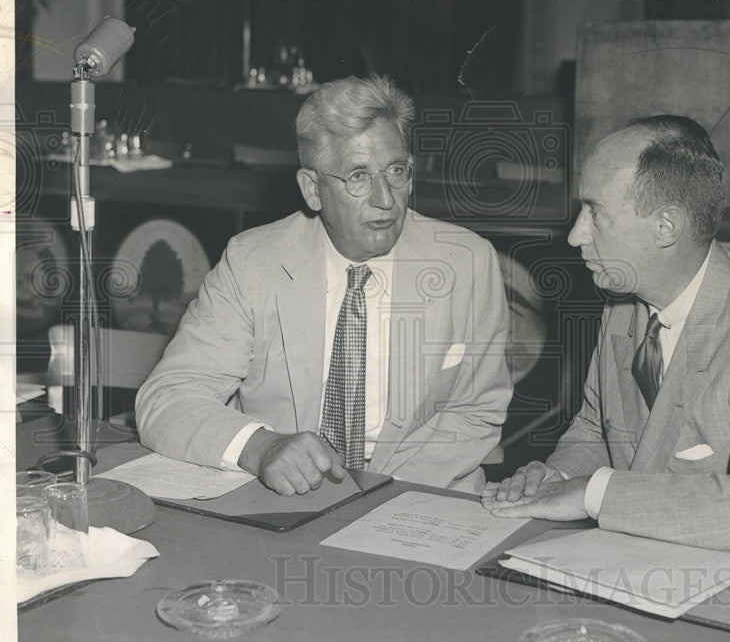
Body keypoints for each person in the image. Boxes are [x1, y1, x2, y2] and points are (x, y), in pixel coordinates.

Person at [482, 116, 730, 561]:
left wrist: (592, 493)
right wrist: (553, 479)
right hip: (675, 556)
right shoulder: (624, 303)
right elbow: (596, 427)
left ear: (666, 227)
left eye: (596, 214)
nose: (574, 235)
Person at [137, 75, 512, 495]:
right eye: (358, 177)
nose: (386, 199)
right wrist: (262, 448)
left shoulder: (466, 262)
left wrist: (378, 496)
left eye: (396, 171)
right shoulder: (252, 262)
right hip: (290, 496)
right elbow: (167, 399)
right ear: (312, 189)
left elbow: (478, 411)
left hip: (423, 496)